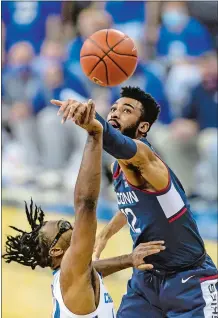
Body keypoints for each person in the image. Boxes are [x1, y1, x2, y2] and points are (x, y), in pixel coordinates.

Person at [51, 87, 218, 317]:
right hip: (146, 281)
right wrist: (106, 233)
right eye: (113, 109)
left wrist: (92, 119)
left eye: (126, 110)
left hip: (188, 280)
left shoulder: (146, 157)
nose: (115, 113)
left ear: (143, 127)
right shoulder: (118, 167)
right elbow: (132, 204)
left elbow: (112, 140)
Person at [3, 106, 165, 317]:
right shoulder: (70, 270)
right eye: (63, 227)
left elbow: (94, 270)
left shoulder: (73, 273)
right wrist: (94, 135)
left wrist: (129, 259)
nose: (70, 225)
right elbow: (85, 205)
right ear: (56, 251)